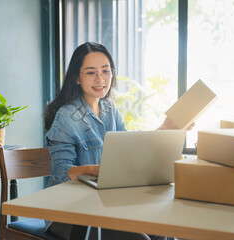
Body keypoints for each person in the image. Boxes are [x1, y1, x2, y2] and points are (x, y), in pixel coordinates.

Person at [43, 42, 192, 240]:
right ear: (77, 78)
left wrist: (166, 129)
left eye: (105, 71)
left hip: (105, 206)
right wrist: (93, 170)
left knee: (163, 231)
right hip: (68, 213)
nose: (100, 79)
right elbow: (60, 173)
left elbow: (131, 149)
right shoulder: (66, 117)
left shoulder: (110, 109)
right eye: (90, 73)